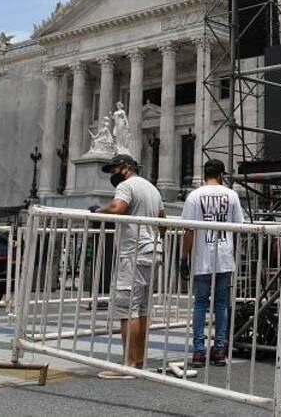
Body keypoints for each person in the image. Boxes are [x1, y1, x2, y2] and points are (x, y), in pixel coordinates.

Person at [94, 153, 166, 378]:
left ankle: (128, 364)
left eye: (113, 170)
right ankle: (139, 362)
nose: (112, 175)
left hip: (133, 253)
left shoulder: (126, 186)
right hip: (153, 250)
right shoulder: (152, 189)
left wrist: (98, 211)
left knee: (128, 309)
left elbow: (118, 208)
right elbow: (163, 222)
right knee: (142, 310)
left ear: (125, 168)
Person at [180, 159, 245, 368]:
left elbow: (188, 230)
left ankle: (198, 351)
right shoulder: (232, 195)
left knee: (200, 304)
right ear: (221, 174)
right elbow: (239, 227)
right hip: (224, 257)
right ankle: (219, 350)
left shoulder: (194, 196)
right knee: (221, 305)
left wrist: (184, 256)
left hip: (202, 258)